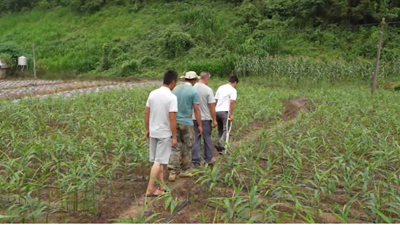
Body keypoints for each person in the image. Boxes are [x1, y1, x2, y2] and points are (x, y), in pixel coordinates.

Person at [144, 70, 178, 197]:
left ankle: (161, 185)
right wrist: (174, 136)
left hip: (153, 132)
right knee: (158, 161)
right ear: (173, 82)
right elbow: (172, 118)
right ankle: (150, 189)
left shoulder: (152, 94)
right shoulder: (172, 97)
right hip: (164, 133)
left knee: (158, 160)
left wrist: (147, 129)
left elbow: (147, 113)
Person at [168, 71, 203, 181]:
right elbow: (196, 109)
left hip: (174, 121)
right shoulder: (193, 91)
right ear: (193, 80)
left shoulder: (175, 89)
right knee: (187, 146)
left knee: (175, 146)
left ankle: (172, 172)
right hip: (187, 122)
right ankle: (185, 170)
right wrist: (200, 125)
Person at [192, 72, 217, 166]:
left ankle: (195, 161)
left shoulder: (192, 88)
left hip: (193, 118)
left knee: (196, 139)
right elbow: (211, 105)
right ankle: (208, 158)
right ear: (206, 79)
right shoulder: (208, 90)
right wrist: (214, 119)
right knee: (207, 138)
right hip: (205, 118)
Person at [214, 76, 239, 154]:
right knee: (226, 129)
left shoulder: (220, 87)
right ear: (234, 82)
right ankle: (220, 143)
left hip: (217, 111)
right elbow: (232, 102)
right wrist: (231, 114)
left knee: (220, 129)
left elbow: (215, 100)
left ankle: (221, 149)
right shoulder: (233, 90)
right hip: (225, 112)